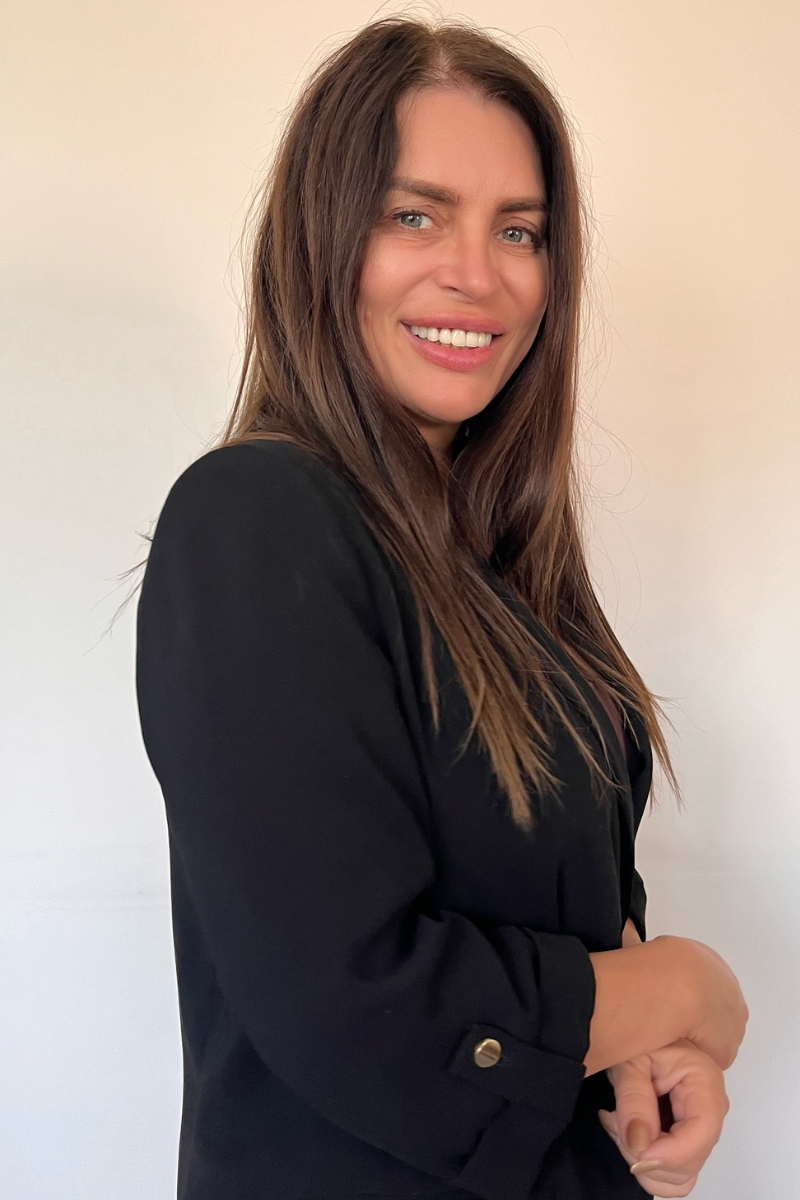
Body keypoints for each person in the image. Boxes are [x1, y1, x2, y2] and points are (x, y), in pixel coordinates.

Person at [135, 16, 747, 1200]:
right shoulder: (257, 516)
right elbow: (361, 1007)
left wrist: (649, 1045)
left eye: (518, 230)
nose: (477, 273)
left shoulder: (500, 570)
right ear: (321, 238)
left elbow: (561, 896)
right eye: (413, 216)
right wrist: (686, 988)